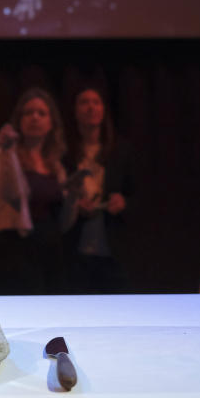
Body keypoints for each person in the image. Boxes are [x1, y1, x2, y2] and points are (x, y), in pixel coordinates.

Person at [0, 88, 68, 293]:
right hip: (14, 248)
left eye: (41, 113)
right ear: (19, 120)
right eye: (28, 112)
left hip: (49, 249)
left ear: (51, 122)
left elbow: (64, 216)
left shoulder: (55, 164)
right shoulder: (1, 155)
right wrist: (8, 152)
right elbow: (10, 195)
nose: (34, 118)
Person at [61, 87, 135, 293]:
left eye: (96, 102)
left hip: (114, 250)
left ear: (104, 110)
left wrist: (123, 202)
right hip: (75, 251)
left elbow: (139, 195)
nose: (90, 107)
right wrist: (76, 206)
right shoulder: (64, 153)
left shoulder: (121, 150)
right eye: (84, 102)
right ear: (75, 111)